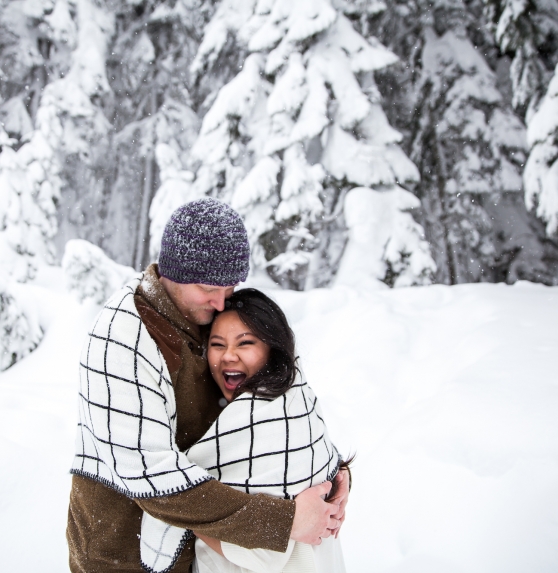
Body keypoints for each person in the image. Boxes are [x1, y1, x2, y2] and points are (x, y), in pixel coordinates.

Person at [67, 198, 350, 573]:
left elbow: (277, 404)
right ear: (171, 272)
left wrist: (327, 475)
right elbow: (149, 474)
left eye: (230, 287)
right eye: (207, 288)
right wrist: (284, 521)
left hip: (203, 550)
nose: (220, 302)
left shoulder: (210, 315)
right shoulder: (122, 337)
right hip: (124, 552)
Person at [158, 288, 349, 573]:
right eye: (217, 344)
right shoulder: (293, 394)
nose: (228, 356)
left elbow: (262, 554)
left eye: (244, 343)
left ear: (272, 348)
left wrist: (188, 513)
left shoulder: (266, 418)